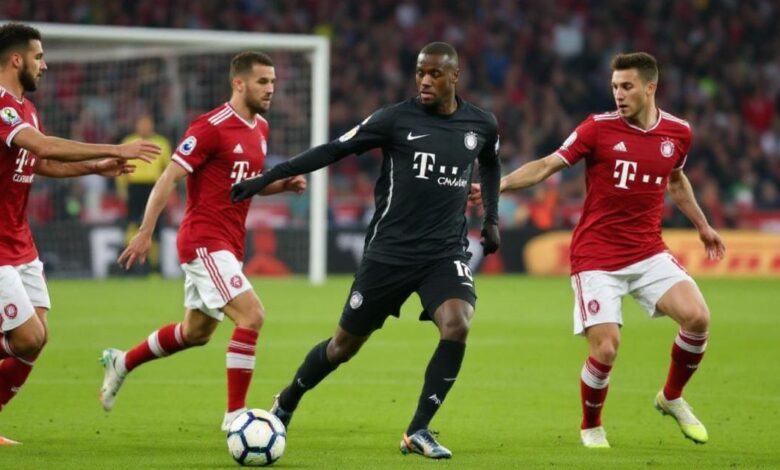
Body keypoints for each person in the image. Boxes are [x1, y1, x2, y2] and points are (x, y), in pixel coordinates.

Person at [231, 41, 501, 459]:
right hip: (388, 254)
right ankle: (287, 399)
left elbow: (491, 164)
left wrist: (492, 218)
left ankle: (418, 430)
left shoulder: (481, 125)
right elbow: (332, 150)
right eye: (420, 72)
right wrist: (263, 179)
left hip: (444, 253)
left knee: (458, 323)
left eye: (434, 74)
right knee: (343, 346)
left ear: (454, 76)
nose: (425, 81)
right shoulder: (394, 119)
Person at [470, 52, 725, 448]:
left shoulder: (678, 133)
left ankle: (671, 397)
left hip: (648, 250)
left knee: (698, 318)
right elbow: (547, 164)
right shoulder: (598, 128)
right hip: (597, 257)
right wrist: (497, 185)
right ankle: (591, 425)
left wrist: (703, 226)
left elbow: (675, 181)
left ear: (650, 88)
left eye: (627, 87)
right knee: (606, 348)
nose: (618, 94)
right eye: (615, 86)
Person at [99, 51, 306, 432]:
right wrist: (145, 231)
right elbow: (168, 178)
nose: (270, 89)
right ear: (239, 83)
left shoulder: (260, 128)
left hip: (229, 243)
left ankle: (122, 361)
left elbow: (245, 184)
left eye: (273, 82)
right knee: (252, 315)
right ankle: (235, 417)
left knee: (195, 332)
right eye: (262, 81)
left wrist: (281, 186)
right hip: (204, 240)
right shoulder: (210, 126)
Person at [0, 23, 160, 445]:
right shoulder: (1, 106)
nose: (44, 65)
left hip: (19, 241)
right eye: (38, 57)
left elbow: (38, 163)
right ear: (16, 60)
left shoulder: (26, 110)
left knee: (37, 339)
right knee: (26, 336)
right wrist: (114, 148)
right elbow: (44, 147)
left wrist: (94, 167)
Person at [116, 113, 172, 274]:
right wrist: (122, 189)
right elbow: (120, 167)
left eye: (148, 123)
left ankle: (153, 266)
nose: (145, 127)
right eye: (142, 123)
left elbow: (170, 170)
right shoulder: (129, 142)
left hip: (154, 188)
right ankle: (130, 265)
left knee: (155, 227)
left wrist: (168, 191)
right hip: (134, 188)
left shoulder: (162, 143)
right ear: (136, 125)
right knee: (133, 224)